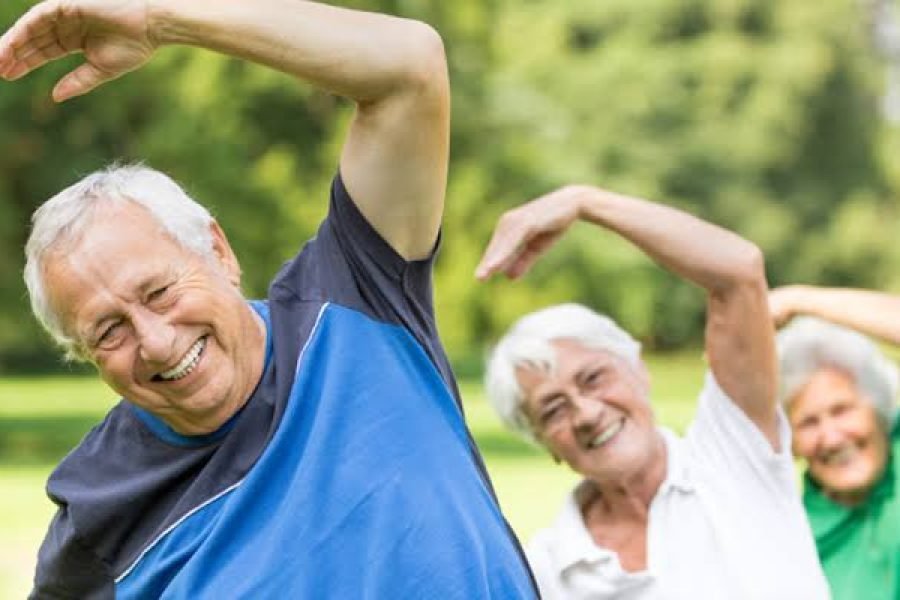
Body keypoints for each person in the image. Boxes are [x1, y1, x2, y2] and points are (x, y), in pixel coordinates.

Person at [1, 1, 537, 597]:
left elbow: (409, 67)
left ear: (218, 252)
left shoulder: (356, 298)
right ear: (83, 353)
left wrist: (162, 20)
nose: (154, 340)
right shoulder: (98, 516)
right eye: (108, 330)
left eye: (158, 291)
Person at [477, 185, 830, 599]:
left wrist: (584, 202)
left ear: (638, 370)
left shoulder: (730, 453)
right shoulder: (551, 568)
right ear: (543, 442)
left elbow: (737, 272)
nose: (587, 414)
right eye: (553, 410)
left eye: (594, 378)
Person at [770, 285, 900, 600]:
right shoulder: (788, 536)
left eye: (841, 410)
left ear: (879, 408)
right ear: (791, 442)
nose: (831, 437)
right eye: (808, 423)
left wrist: (799, 300)